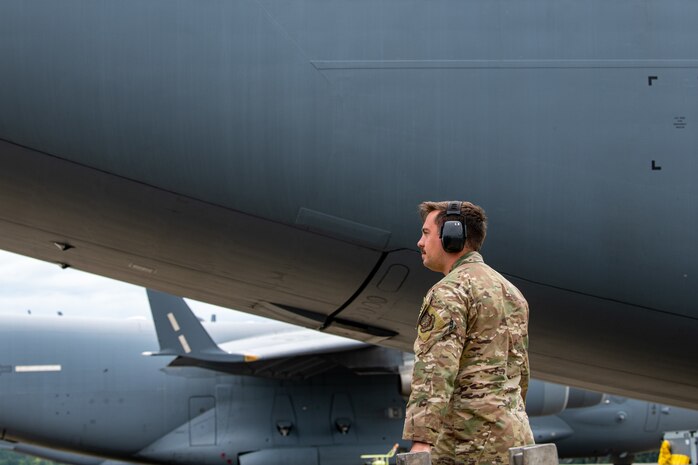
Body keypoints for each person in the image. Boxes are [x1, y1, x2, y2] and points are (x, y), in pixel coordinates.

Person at [403, 201, 534, 465]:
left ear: (452, 237)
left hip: (467, 444)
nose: (419, 242)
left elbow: (435, 370)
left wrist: (420, 441)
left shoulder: (449, 292)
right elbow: (521, 373)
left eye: (426, 233)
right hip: (516, 438)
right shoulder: (511, 292)